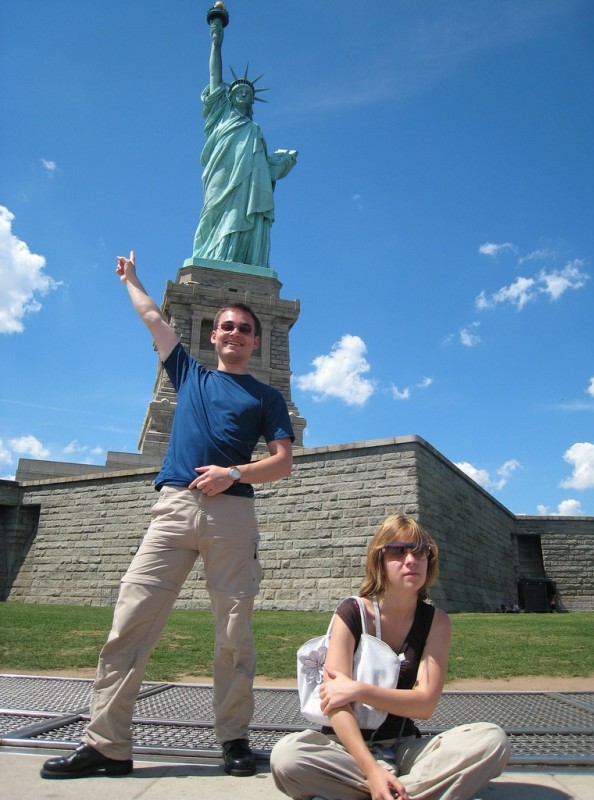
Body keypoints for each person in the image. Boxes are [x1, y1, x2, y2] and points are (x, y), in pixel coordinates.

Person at [41, 251, 294, 780]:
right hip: (173, 510)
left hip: (232, 517)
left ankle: (234, 739)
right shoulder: (190, 373)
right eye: (226, 326)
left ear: (256, 340)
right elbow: (154, 320)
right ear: (213, 334)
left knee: (233, 635)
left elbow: (283, 464)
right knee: (128, 625)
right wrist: (131, 281)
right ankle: (107, 744)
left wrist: (235, 473)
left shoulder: (266, 396)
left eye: (244, 329)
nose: (234, 334)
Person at [271, 514, 510, 800]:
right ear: (379, 561)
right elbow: (335, 704)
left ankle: (389, 793)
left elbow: (424, 705)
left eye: (421, 551)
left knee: (492, 741)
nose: (411, 560)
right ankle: (397, 790)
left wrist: (359, 689)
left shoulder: (437, 623)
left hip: (405, 746)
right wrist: (372, 770)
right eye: (398, 550)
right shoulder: (351, 613)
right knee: (287, 757)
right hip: (346, 751)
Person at [191, 14, 297, 268]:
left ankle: (243, 260)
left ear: (251, 101)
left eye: (247, 93)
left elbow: (263, 168)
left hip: (250, 183)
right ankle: (213, 257)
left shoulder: (255, 130)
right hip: (222, 171)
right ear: (230, 97)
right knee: (214, 212)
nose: (243, 95)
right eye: (238, 92)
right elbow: (215, 76)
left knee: (245, 213)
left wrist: (279, 164)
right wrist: (216, 41)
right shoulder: (221, 115)